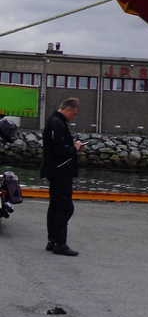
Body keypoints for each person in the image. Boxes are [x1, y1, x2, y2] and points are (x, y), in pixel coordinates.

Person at [43, 97, 82, 255]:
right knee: (64, 206)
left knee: (55, 205)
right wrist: (74, 148)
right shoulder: (57, 123)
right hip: (60, 171)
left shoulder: (54, 122)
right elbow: (59, 149)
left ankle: (53, 240)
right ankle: (60, 243)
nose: (74, 117)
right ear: (67, 110)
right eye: (74, 114)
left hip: (54, 170)